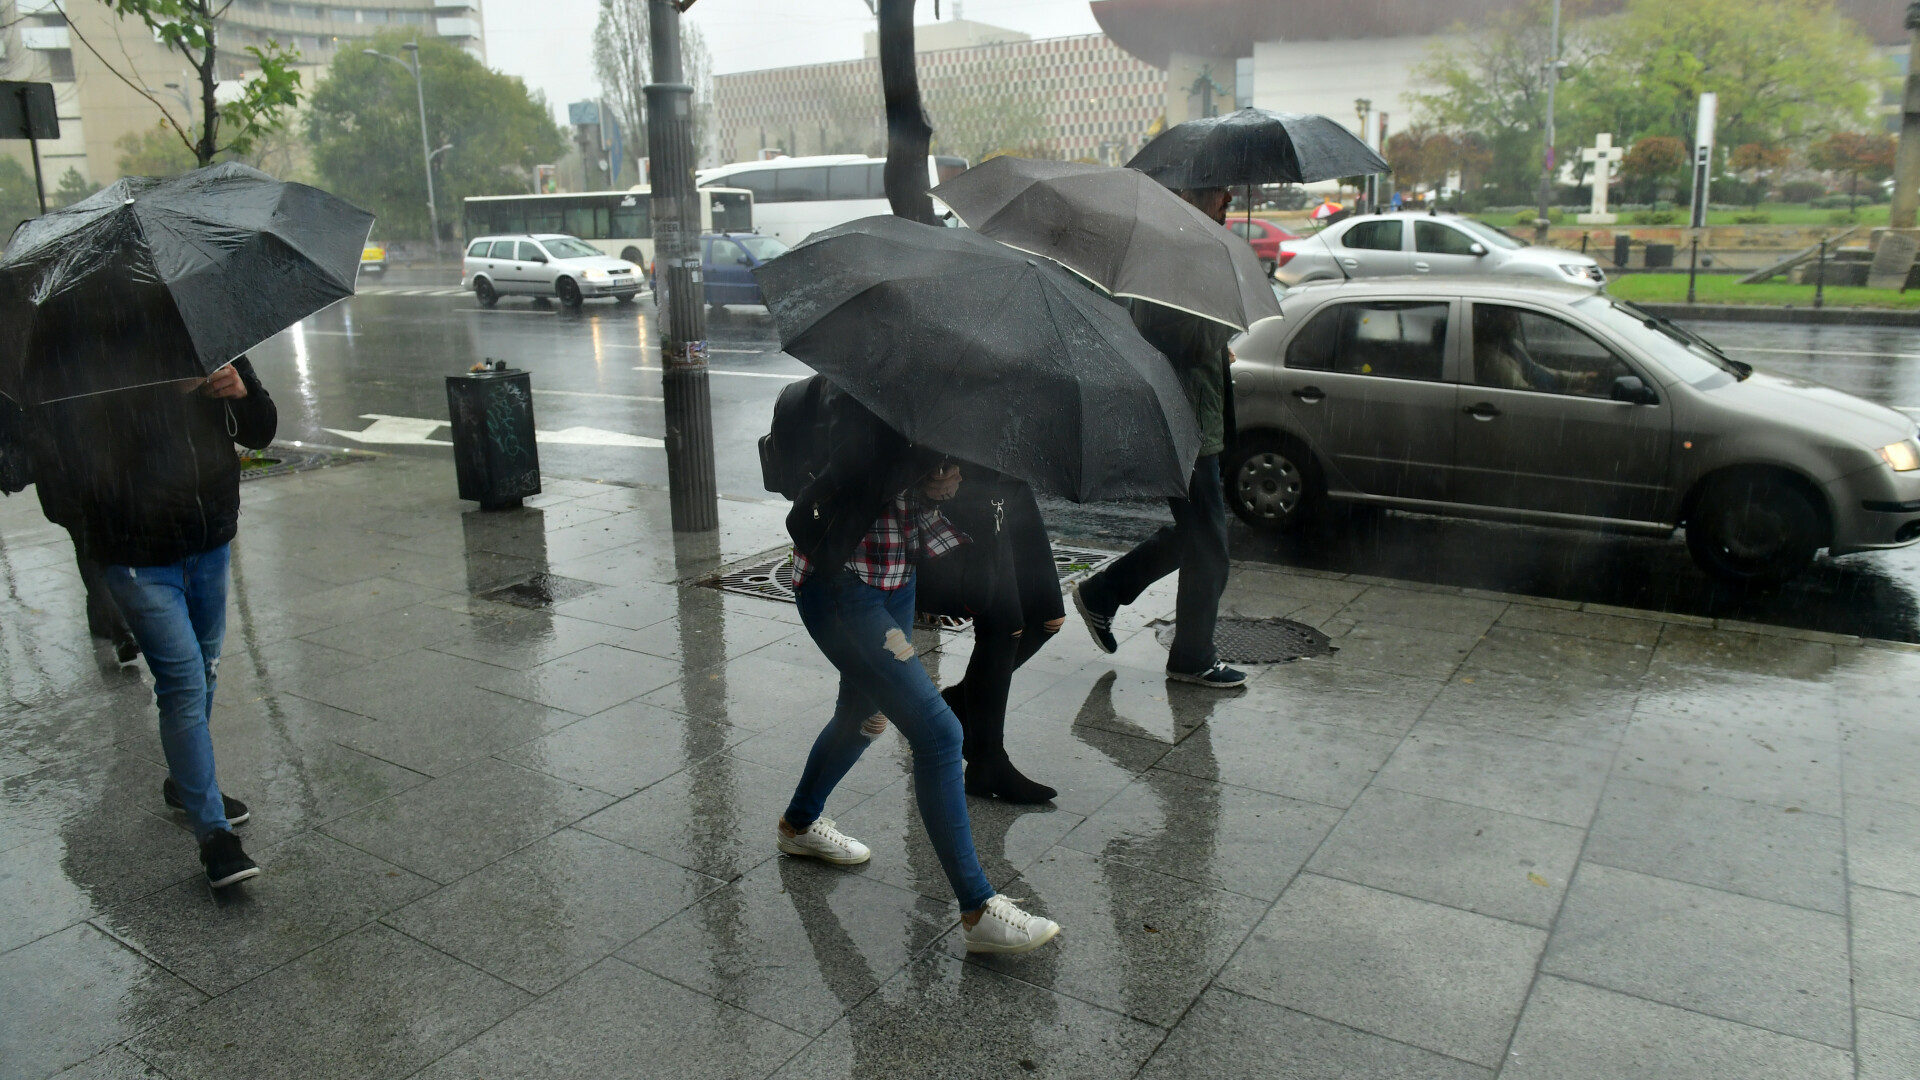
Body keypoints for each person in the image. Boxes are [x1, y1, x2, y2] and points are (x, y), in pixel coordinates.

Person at [775, 387, 1060, 954]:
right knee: (940, 735)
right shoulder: (858, 382)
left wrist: (942, 480)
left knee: (862, 716)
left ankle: (799, 824)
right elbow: (854, 473)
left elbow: (908, 489)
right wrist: (921, 466)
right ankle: (978, 909)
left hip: (894, 574)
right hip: (844, 584)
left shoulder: (933, 384)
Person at [25, 358, 276, 889]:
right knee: (183, 681)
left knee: (204, 670)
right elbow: (66, 469)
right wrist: (167, 399)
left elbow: (261, 429)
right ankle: (215, 838)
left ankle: (186, 785)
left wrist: (240, 393)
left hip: (209, 544)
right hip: (138, 557)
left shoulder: (204, 336)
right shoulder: (84, 357)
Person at [1072, 187, 1247, 689]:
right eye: (1219, 189)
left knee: (1196, 535)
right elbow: (1178, 335)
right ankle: (1191, 656)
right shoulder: (1176, 254)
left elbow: (1187, 338)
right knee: (1209, 544)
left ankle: (1104, 593)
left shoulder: (1189, 249)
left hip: (1196, 415)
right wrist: (1222, 328)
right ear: (1192, 195)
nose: (1229, 197)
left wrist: (1217, 345)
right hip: (1185, 420)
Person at [914, 469, 1065, 804]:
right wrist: (930, 470)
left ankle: (958, 705)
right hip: (968, 487)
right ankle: (987, 760)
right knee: (1004, 626)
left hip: (1012, 480)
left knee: (1048, 619)